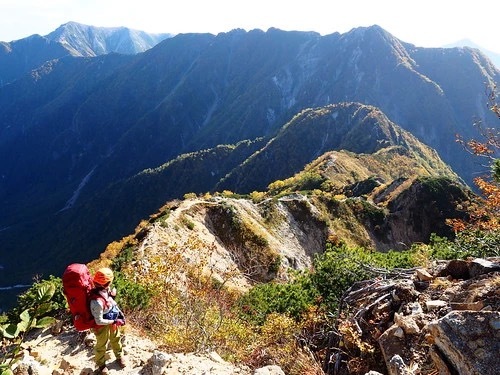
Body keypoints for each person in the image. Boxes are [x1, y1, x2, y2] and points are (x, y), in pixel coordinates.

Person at [90, 267, 127, 374]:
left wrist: (112, 296)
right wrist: (112, 321)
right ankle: (101, 364)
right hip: (103, 325)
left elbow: (107, 302)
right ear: (105, 283)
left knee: (116, 338)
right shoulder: (96, 302)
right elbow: (99, 320)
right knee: (102, 344)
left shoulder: (104, 290)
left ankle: (119, 356)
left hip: (111, 319)